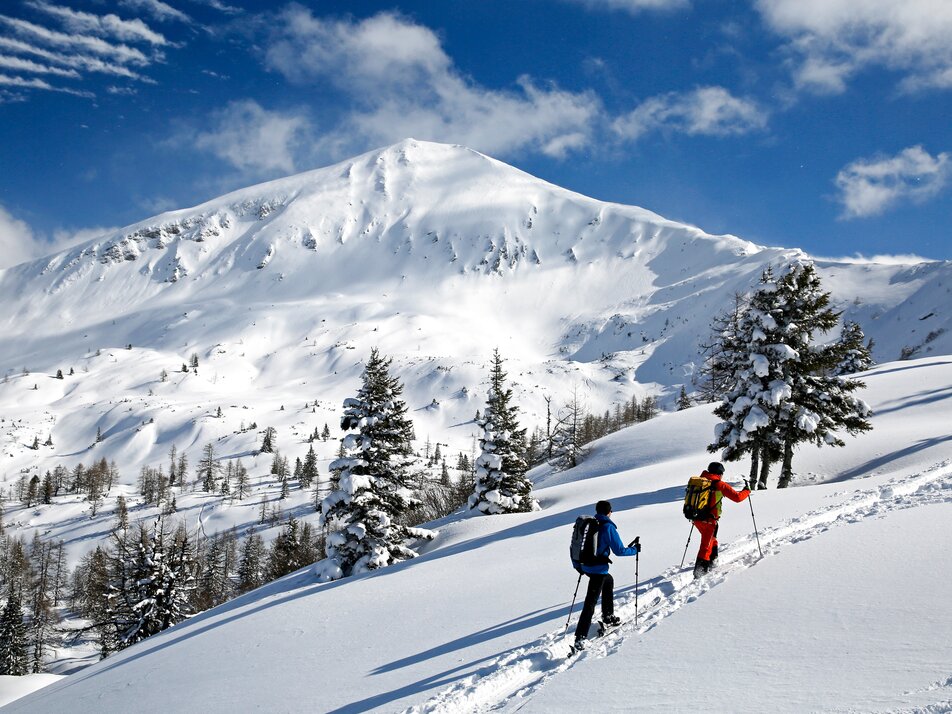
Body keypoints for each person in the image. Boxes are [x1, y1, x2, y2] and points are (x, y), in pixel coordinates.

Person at [573, 500, 640, 651]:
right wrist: (635, 550)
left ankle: (608, 616)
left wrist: (578, 566)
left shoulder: (588, 524)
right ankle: (580, 637)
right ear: (609, 512)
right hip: (597, 569)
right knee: (590, 602)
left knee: (608, 580)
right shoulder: (608, 527)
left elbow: (575, 545)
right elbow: (619, 551)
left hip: (585, 566)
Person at [692, 461, 750, 578]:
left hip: (696, 518)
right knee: (706, 546)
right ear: (719, 473)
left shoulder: (699, 481)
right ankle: (699, 573)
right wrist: (747, 491)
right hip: (709, 520)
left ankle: (713, 561)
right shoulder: (719, 484)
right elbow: (737, 498)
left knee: (711, 539)